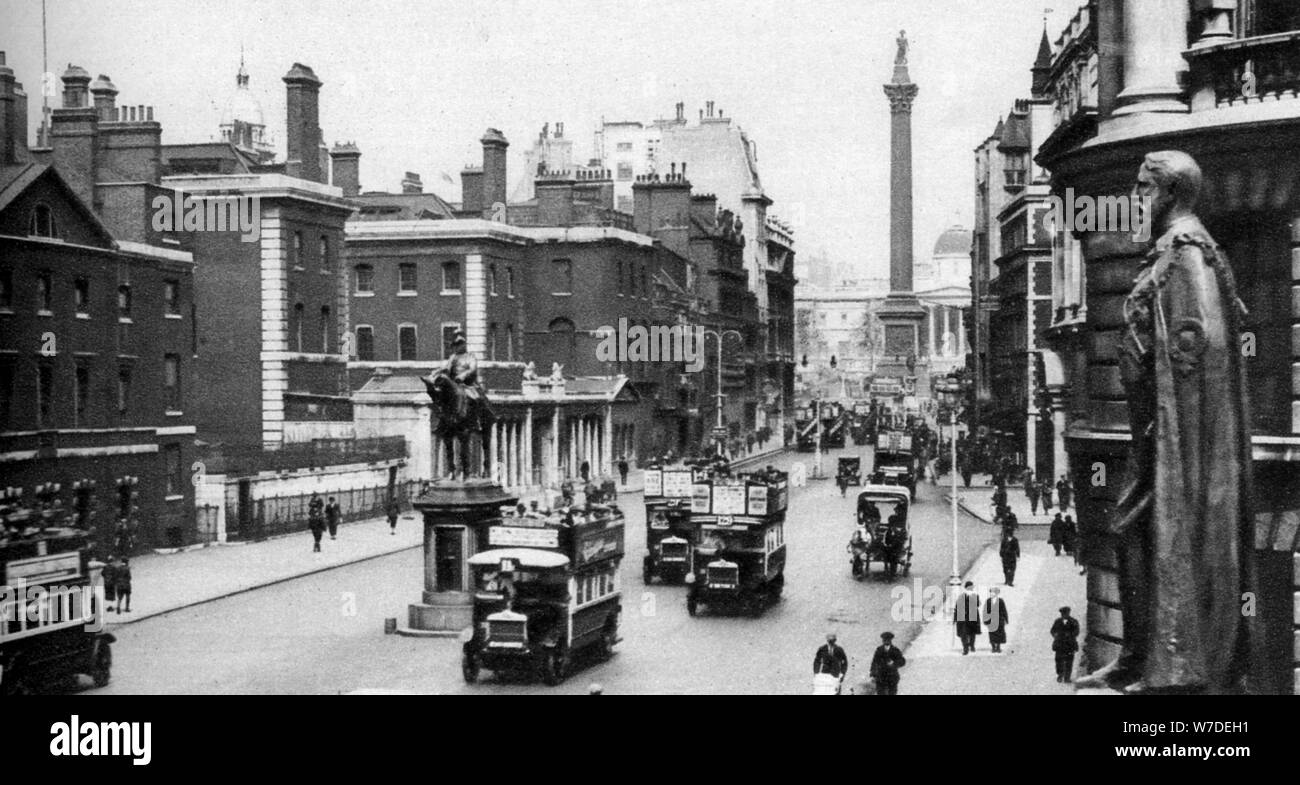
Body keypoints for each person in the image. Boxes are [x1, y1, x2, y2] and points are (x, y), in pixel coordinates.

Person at [1051, 606, 1081, 683]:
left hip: (1069, 645)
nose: (1064, 615)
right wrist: (1056, 635)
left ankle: (1067, 677)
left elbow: (1077, 631)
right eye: (1063, 613)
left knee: (1069, 661)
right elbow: (1052, 630)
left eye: (1066, 613)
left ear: (1068, 613)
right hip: (1059, 645)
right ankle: (1060, 675)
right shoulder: (1057, 621)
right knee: (1058, 660)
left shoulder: (1074, 621)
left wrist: (1070, 635)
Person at [954, 581, 982, 654]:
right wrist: (955, 618)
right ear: (966, 588)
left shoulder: (975, 595)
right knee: (964, 634)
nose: (971, 588)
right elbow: (957, 607)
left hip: (973, 618)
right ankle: (965, 648)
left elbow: (978, 604)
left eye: (972, 587)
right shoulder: (961, 596)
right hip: (963, 618)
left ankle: (972, 645)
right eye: (969, 587)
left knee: (972, 633)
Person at [984, 588, 1009, 653]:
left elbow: (1004, 610)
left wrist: (1006, 619)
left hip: (999, 619)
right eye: (991, 592)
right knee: (992, 634)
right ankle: (993, 647)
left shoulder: (1000, 601)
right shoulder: (988, 601)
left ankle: (998, 647)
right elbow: (985, 611)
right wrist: (985, 620)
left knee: (999, 633)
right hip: (991, 620)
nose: (992, 594)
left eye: (993, 593)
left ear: (997, 594)